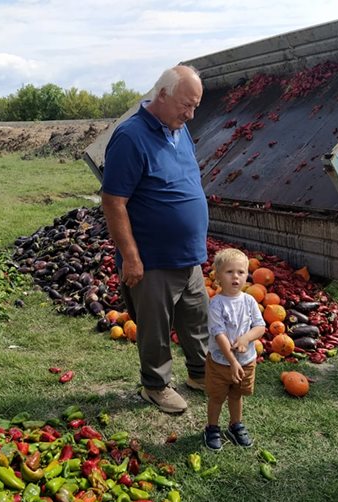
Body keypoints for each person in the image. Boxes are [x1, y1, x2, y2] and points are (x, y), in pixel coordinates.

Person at [101, 65, 209, 414]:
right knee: (155, 330)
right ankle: (155, 385)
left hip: (187, 255)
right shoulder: (131, 136)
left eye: (195, 107)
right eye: (185, 105)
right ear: (162, 94)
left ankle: (199, 374)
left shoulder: (179, 128)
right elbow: (114, 201)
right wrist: (130, 256)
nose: (190, 115)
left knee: (196, 320)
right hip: (152, 258)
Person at [202, 248, 266, 451]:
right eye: (229, 272)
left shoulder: (249, 301)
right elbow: (219, 335)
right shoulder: (216, 304)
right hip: (221, 363)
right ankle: (212, 428)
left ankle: (235, 425)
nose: (236, 276)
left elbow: (260, 326)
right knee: (217, 397)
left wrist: (246, 338)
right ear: (218, 277)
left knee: (237, 395)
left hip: (246, 360)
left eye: (240, 272)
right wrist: (232, 361)